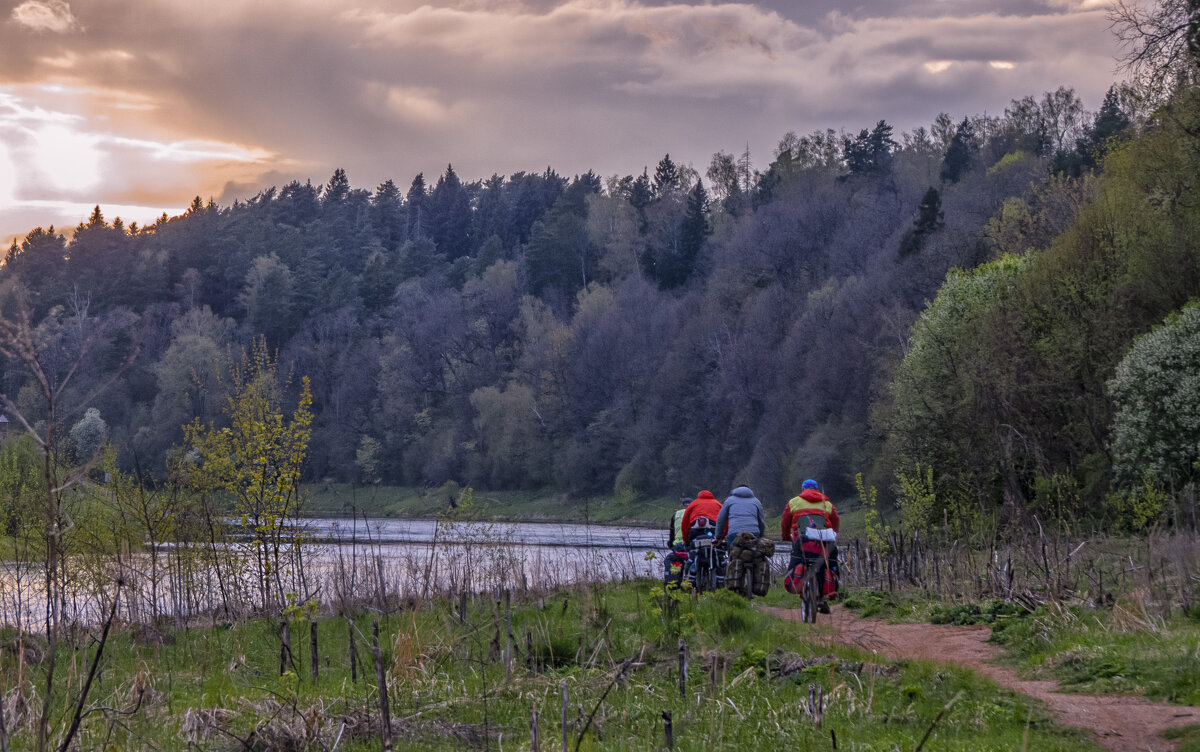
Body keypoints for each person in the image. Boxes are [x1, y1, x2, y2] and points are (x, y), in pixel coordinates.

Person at [781, 479, 840, 611]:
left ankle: (798, 585)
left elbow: (785, 522)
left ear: (802, 489)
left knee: (797, 561)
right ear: (817, 490)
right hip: (824, 543)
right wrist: (833, 535)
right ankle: (828, 593)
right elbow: (835, 521)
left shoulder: (793, 502)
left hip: (802, 542)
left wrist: (786, 537)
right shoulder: (828, 504)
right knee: (828, 563)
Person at [716, 486, 767, 596]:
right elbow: (761, 521)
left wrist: (718, 536)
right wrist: (761, 535)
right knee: (754, 556)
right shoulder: (756, 501)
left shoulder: (729, 500)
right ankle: (753, 584)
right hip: (754, 534)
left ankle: (734, 584)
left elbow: (721, 520)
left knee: (733, 557)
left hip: (735, 534)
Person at [664, 497, 691, 587]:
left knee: (671, 559)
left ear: (681, 506)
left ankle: (672, 582)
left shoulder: (676, 514)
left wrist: (671, 544)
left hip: (678, 546)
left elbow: (672, 532)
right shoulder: (695, 514)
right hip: (690, 545)